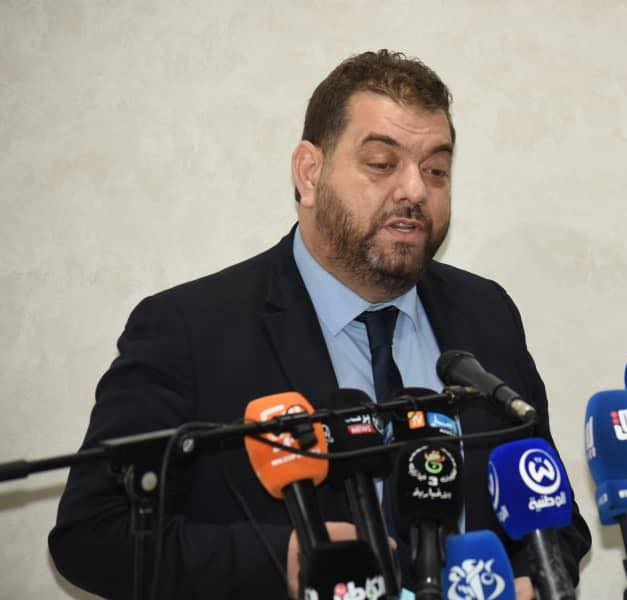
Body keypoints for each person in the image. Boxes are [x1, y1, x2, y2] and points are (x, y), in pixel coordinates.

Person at [49, 50, 591, 599]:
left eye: (435, 170)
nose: (414, 190)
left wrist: (535, 581)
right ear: (310, 172)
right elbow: (92, 534)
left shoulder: (486, 313)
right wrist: (281, 560)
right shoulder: (188, 329)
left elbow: (555, 518)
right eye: (381, 163)